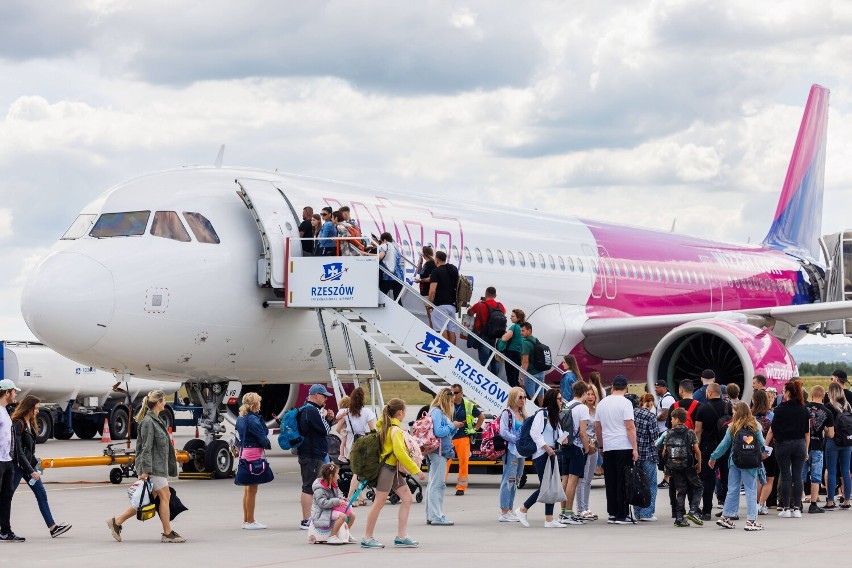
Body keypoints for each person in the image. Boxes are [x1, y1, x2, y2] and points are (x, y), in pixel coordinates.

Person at [107, 389, 183, 543]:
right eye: (164, 401)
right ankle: (167, 533)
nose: (165, 404)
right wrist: (145, 471)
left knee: (146, 500)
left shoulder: (156, 419)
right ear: (159, 403)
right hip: (153, 467)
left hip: (158, 466)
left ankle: (117, 521)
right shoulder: (148, 422)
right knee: (165, 496)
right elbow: (145, 448)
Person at [361, 398, 426, 549]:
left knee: (407, 499)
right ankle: (367, 537)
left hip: (393, 470)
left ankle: (401, 536)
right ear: (400, 413)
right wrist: (416, 470)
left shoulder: (384, 426)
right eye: (404, 412)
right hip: (388, 470)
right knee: (379, 503)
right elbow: (400, 453)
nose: (405, 414)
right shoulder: (395, 431)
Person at [10, 395, 71, 538]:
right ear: (28, 408)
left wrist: (35, 464)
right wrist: (31, 471)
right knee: (6, 496)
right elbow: (19, 452)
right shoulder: (18, 424)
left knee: (42, 495)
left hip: (29, 465)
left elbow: (28, 450)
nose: (38, 411)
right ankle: (4, 528)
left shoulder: (30, 423)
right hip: (19, 467)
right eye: (36, 408)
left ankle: (53, 527)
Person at [515, 389, 569, 528]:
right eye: (559, 399)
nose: (561, 401)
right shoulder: (542, 414)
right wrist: (546, 447)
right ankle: (523, 509)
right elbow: (535, 433)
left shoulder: (555, 416)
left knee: (549, 487)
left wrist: (563, 439)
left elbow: (557, 434)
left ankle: (549, 519)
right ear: (552, 400)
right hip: (541, 454)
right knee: (547, 487)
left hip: (551, 453)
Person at [710, 402, 767, 531]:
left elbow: (724, 445)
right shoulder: (755, 426)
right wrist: (765, 454)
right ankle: (751, 520)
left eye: (734, 411)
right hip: (751, 463)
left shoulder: (732, 427)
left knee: (733, 489)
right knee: (750, 490)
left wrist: (713, 457)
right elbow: (763, 445)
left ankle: (726, 516)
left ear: (738, 412)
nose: (732, 413)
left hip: (734, 461)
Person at [594, 374, 639, 524]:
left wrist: (601, 445)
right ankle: (622, 514)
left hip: (608, 446)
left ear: (612, 387)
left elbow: (597, 427)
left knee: (611, 480)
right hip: (623, 445)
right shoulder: (626, 403)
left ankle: (612, 512)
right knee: (623, 480)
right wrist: (634, 448)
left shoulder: (602, 403)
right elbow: (630, 426)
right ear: (626, 388)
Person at [765, 381, 809, 518]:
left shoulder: (779, 409)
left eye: (783, 391)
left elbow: (772, 431)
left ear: (788, 393)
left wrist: (765, 447)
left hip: (783, 445)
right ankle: (796, 508)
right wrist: (806, 449)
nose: (782, 393)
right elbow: (807, 433)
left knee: (785, 477)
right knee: (797, 476)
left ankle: (785, 508)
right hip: (800, 444)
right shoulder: (803, 409)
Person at [298, 384, 336, 530]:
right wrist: (327, 418)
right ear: (315, 396)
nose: (326, 399)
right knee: (308, 487)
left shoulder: (306, 409)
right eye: (324, 396)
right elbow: (325, 430)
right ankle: (306, 520)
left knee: (310, 486)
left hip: (309, 453)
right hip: (312, 454)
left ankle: (309, 518)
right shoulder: (312, 410)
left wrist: (327, 418)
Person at [660, 407, 703, 527]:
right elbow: (697, 450)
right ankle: (693, 510)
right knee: (698, 487)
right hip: (688, 465)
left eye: (672, 419)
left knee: (681, 491)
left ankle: (679, 518)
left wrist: (667, 467)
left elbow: (664, 451)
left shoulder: (669, 433)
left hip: (674, 466)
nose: (671, 421)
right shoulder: (690, 432)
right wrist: (699, 464)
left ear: (677, 419)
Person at [558, 381, 594, 524]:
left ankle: (563, 513)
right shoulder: (583, 408)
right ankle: (568, 513)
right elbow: (583, 433)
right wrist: (586, 448)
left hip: (566, 446)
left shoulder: (566, 405)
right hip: (577, 447)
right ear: (584, 393)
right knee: (573, 481)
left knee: (565, 480)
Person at [235, 392, 272, 530]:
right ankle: (250, 521)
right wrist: (266, 443)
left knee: (247, 489)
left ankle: (246, 520)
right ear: (256, 404)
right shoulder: (253, 419)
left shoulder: (241, 417)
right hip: (253, 454)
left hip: (245, 452)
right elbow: (263, 435)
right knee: (252, 490)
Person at [694, 383, 731, 520]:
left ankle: (707, 511)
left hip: (708, 446)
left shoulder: (702, 409)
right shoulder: (728, 407)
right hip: (725, 445)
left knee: (708, 479)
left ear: (709, 393)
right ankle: (728, 510)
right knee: (727, 478)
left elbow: (698, 430)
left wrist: (697, 445)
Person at [425, 389, 461, 525]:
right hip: (438, 452)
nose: (452, 405)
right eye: (451, 402)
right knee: (437, 484)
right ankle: (436, 516)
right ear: (446, 400)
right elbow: (439, 432)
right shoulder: (438, 412)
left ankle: (431, 515)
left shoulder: (435, 411)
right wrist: (452, 425)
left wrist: (454, 428)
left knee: (433, 483)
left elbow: (445, 435)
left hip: (438, 450)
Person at [335, 388, 376, 506]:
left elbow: (338, 428)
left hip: (350, 442)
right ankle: (349, 499)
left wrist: (344, 436)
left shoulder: (347, 412)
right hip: (362, 441)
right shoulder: (367, 412)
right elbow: (373, 430)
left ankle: (360, 498)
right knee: (357, 473)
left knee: (355, 471)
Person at [447, 385, 484, 496]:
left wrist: (474, 429)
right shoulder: (448, 404)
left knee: (463, 462)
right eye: (451, 392)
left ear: (461, 393)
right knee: (445, 462)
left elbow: (481, 417)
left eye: (455, 392)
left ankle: (461, 487)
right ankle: (440, 484)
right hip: (449, 437)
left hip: (463, 437)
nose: (453, 395)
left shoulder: (468, 405)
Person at [498, 387, 527, 522]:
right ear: (513, 398)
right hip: (511, 450)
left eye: (524, 397)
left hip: (521, 451)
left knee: (516, 480)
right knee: (508, 479)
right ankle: (504, 511)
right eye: (520, 397)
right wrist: (517, 440)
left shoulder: (523, 414)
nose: (522, 400)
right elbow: (503, 432)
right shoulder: (507, 413)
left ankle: (509, 508)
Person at [803, 385, 832, 513]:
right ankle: (813, 504)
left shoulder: (804, 409)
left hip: (803, 446)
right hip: (817, 446)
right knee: (815, 476)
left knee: (799, 475)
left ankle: (797, 503)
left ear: (812, 395)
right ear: (823, 396)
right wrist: (824, 428)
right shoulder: (827, 412)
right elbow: (831, 434)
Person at [0, 379, 22, 542]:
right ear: (7, 393)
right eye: (14, 392)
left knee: (7, 496)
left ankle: (5, 531)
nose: (15, 395)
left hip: (7, 460)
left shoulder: (5, 411)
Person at [312, 463, 356, 545]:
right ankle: (332, 536)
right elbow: (322, 503)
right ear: (331, 476)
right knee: (342, 516)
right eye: (337, 474)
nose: (338, 476)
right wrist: (337, 502)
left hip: (330, 509)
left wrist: (343, 500)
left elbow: (336, 497)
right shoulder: (319, 488)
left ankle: (346, 533)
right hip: (321, 512)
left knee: (352, 515)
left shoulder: (333, 485)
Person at [823, 382, 851, 511]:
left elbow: (827, 428)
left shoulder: (829, 407)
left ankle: (830, 501)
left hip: (833, 442)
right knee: (846, 471)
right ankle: (846, 500)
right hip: (847, 442)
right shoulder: (848, 407)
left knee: (832, 471)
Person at [466, 287, 506, 375]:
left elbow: (470, 313)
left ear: (485, 294)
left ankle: (487, 375)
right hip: (494, 335)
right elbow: (503, 314)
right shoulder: (500, 306)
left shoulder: (480, 305)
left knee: (484, 359)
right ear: (495, 296)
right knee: (493, 358)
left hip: (482, 335)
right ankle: (495, 377)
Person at [633, 393, 660, 522]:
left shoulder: (632, 413)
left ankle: (637, 511)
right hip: (648, 453)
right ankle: (647, 512)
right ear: (650, 403)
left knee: (637, 484)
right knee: (650, 483)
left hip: (634, 453)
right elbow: (655, 437)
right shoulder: (651, 416)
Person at [575, 386, 599, 520]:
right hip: (584, 446)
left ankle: (586, 506)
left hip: (594, 446)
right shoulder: (582, 410)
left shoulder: (597, 411)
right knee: (582, 479)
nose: (590, 397)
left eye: (592, 394)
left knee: (589, 480)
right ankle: (581, 508)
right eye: (588, 394)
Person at [751, 389, 776, 516]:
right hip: (770, 450)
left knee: (758, 479)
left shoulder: (750, 417)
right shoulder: (772, 416)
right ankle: (761, 504)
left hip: (753, 450)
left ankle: (755, 503)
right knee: (769, 479)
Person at [428, 250, 460, 344]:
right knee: (451, 330)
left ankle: (446, 352)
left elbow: (432, 290)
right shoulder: (452, 270)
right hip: (452, 305)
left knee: (441, 329)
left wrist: (430, 304)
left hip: (440, 305)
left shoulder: (436, 272)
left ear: (436, 260)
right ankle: (453, 351)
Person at [654, 379, 676, 488]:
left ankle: (667, 479)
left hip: (664, 431)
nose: (655, 389)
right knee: (663, 457)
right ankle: (667, 478)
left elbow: (664, 415)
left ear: (663, 387)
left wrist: (653, 419)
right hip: (662, 431)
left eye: (657, 387)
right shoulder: (663, 398)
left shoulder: (667, 399)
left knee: (665, 456)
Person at [520, 322, 545, 406]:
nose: (521, 333)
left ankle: (532, 414)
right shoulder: (536, 340)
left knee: (531, 397)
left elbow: (525, 361)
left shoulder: (526, 343)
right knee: (540, 395)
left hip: (531, 374)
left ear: (529, 330)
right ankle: (542, 411)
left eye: (523, 331)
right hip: (540, 372)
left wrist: (522, 377)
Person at [499, 309, 526, 388]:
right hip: (518, 354)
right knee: (515, 376)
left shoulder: (514, 327)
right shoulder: (522, 328)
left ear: (518, 318)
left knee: (511, 378)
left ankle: (515, 395)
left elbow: (504, 338)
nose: (510, 318)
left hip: (511, 353)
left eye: (513, 316)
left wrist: (502, 337)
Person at [415, 246, 436, 326]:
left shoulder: (431, 264)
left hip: (428, 292)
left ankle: (433, 330)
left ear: (424, 253)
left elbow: (432, 278)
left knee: (431, 315)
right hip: (424, 292)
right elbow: (418, 272)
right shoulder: (426, 264)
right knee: (429, 315)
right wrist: (420, 262)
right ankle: (432, 329)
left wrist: (421, 280)